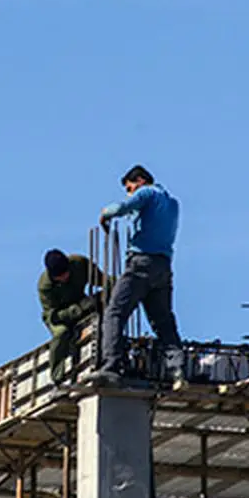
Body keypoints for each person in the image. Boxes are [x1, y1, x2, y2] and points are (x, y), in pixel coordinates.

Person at [93, 164, 186, 383]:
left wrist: (105, 214)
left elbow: (122, 208)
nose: (130, 192)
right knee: (164, 322)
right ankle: (177, 369)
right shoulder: (173, 203)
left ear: (140, 181)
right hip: (163, 267)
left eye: (130, 187)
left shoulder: (147, 192)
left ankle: (111, 365)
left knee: (114, 312)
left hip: (141, 263)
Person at [37, 249, 107, 385]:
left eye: (66, 273)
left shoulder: (79, 263)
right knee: (62, 333)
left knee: (100, 317)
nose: (65, 278)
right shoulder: (45, 287)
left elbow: (101, 279)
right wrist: (78, 309)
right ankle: (57, 378)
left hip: (83, 303)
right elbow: (53, 316)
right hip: (59, 317)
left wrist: (118, 285)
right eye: (60, 277)